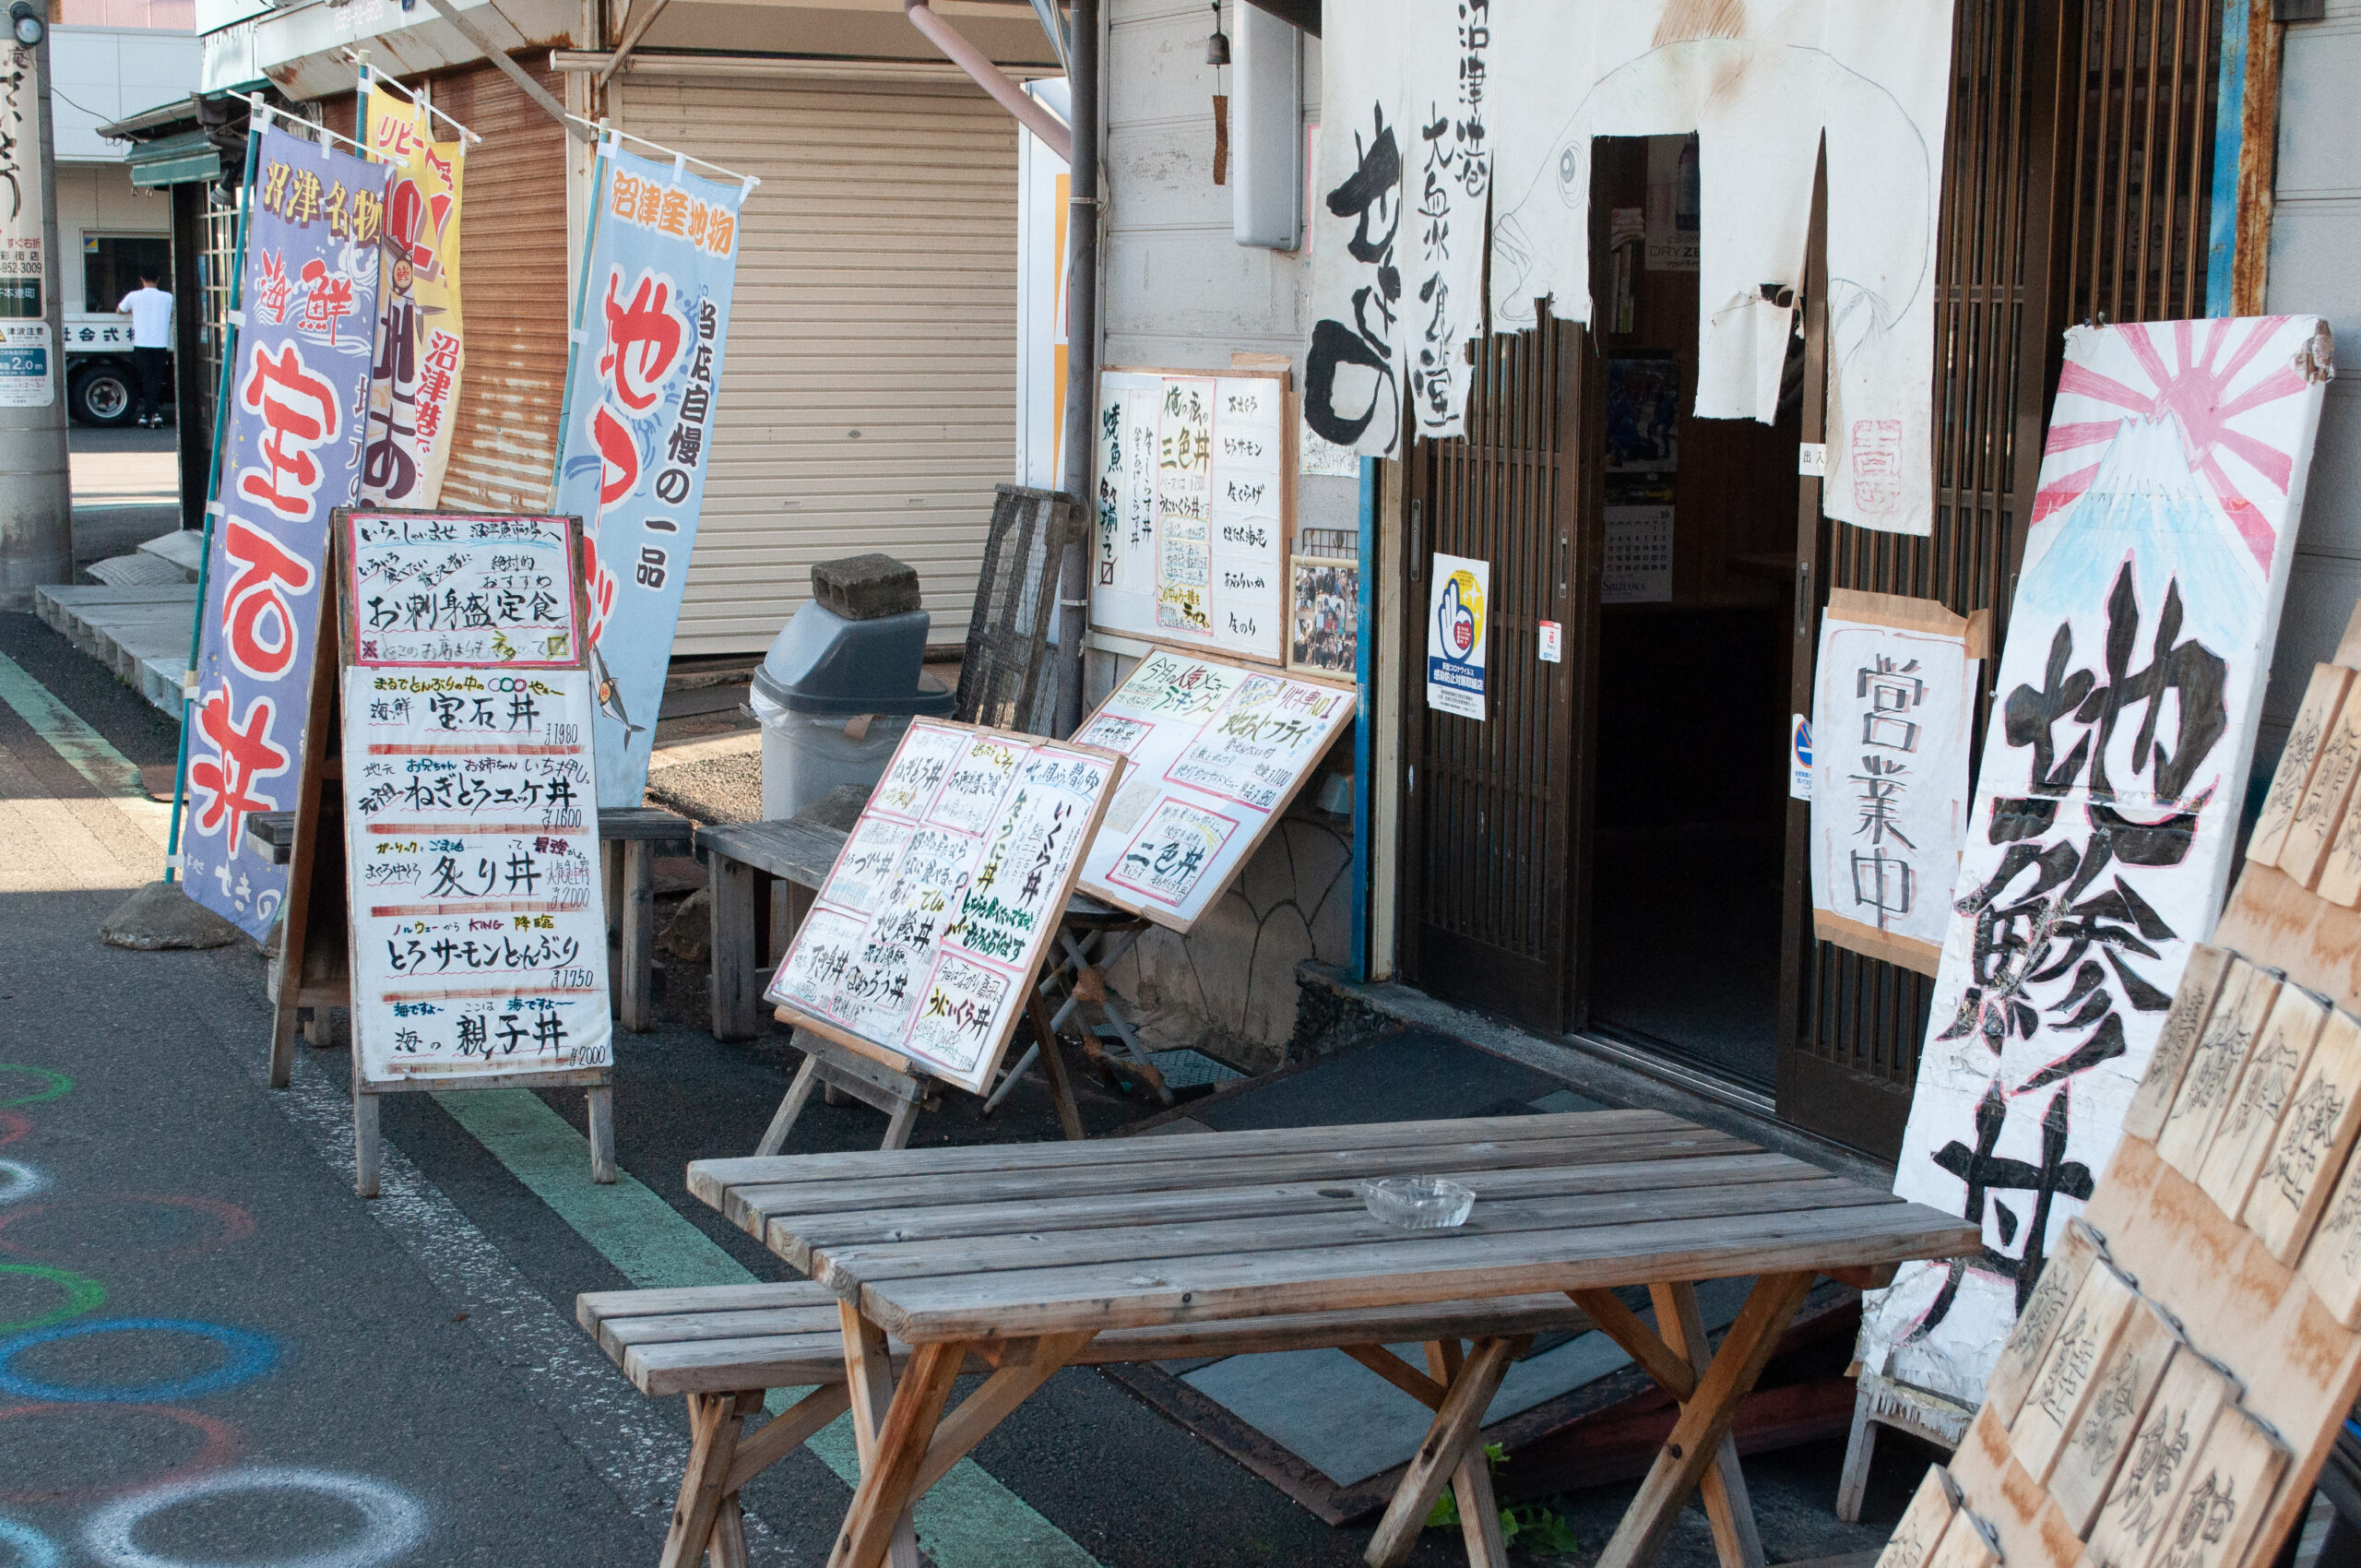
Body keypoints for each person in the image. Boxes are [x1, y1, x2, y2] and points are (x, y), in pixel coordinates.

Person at [115, 271, 173, 428]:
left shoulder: (134, 296)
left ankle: (150, 414)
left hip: (141, 343)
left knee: (147, 378)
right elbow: (173, 313)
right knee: (156, 379)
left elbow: (119, 310)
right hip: (160, 344)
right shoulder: (167, 297)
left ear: (141, 279)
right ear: (158, 279)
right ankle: (153, 414)